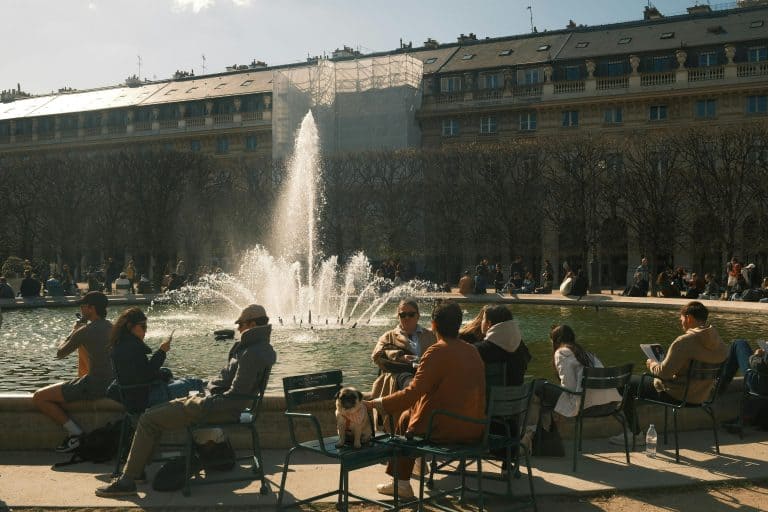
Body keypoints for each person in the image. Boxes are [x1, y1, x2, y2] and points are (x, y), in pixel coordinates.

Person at [95, 303, 276, 497]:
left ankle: (128, 481)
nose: (238, 329)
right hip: (213, 402)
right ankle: (134, 473)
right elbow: (235, 392)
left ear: (252, 324)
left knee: (148, 420)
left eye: (241, 325)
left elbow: (234, 399)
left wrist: (203, 400)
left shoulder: (250, 353)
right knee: (152, 416)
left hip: (214, 407)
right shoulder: (257, 348)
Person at [365, 302, 486, 498]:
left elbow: (413, 392)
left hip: (445, 430)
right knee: (413, 415)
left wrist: (378, 403)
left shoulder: (436, 351)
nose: (406, 318)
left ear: (434, 325)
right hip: (476, 428)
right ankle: (414, 467)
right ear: (459, 324)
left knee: (405, 418)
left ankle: (401, 483)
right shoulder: (472, 351)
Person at [612, 301, 728, 445]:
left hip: (677, 395)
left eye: (681, 320)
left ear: (689, 318)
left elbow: (664, 373)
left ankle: (635, 434)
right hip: (703, 397)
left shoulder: (684, 341)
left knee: (625, 382)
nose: (682, 324)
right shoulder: (720, 343)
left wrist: (652, 364)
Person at [32, 291, 113, 452]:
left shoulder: (85, 331)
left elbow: (60, 353)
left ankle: (76, 434)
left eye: (83, 306)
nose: (81, 309)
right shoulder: (113, 326)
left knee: (39, 397)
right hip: (113, 382)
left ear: (91, 308)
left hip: (94, 384)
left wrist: (74, 331)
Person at [107, 307, 204, 413]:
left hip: (130, 396)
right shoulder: (133, 346)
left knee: (166, 371)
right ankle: (203, 418)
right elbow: (148, 374)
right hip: (144, 398)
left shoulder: (119, 343)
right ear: (130, 326)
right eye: (143, 326)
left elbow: (140, 372)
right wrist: (162, 351)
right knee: (195, 383)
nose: (146, 330)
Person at [370, 299, 436, 429]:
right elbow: (376, 355)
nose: (406, 318)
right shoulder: (389, 336)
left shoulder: (430, 335)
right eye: (402, 315)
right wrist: (400, 356)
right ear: (398, 316)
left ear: (418, 316)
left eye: (410, 314)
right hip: (398, 379)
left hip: (423, 375)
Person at [535, 324, 621, 424]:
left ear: (555, 340)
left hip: (587, 407)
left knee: (539, 385)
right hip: (609, 404)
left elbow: (568, 386)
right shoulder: (587, 354)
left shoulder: (561, 353)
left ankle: (542, 434)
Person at [475, 305, 531, 386]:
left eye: (483, 319)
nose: (481, 322)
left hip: (489, 397)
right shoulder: (522, 348)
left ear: (489, 323)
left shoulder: (479, 350)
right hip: (519, 396)